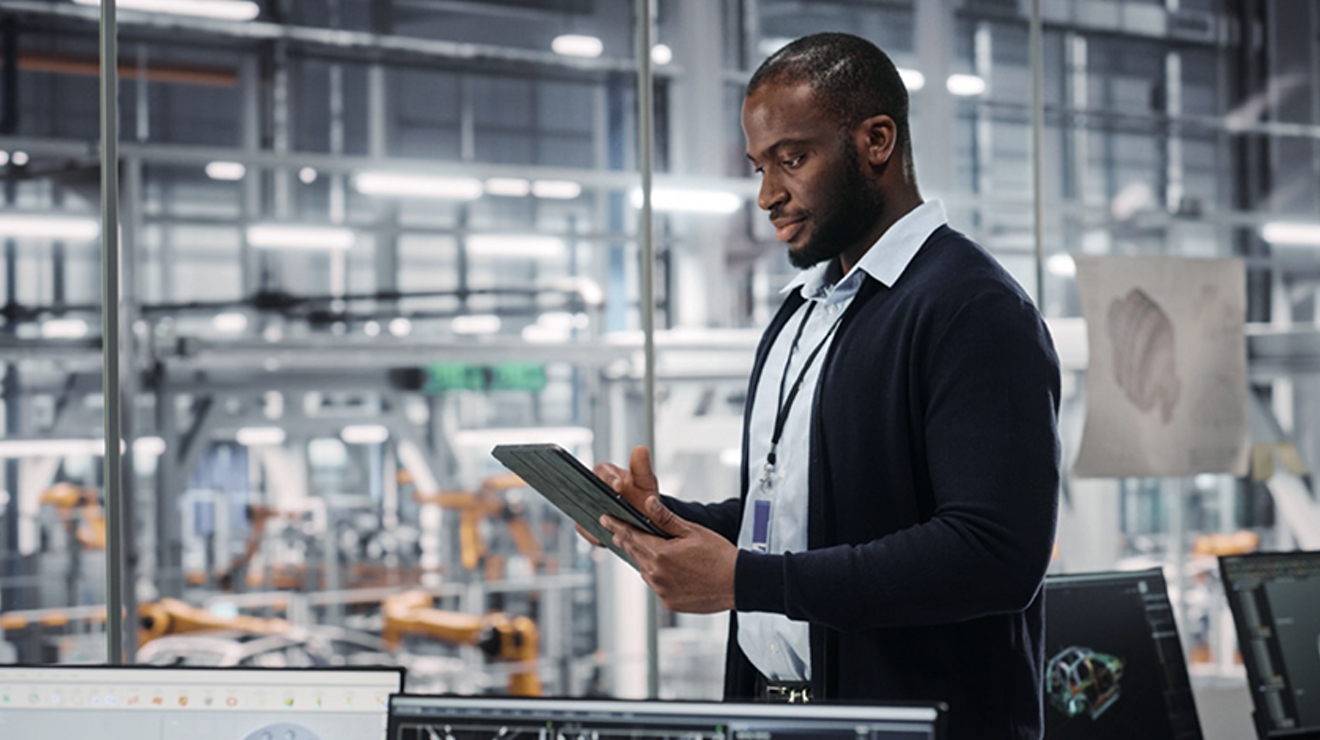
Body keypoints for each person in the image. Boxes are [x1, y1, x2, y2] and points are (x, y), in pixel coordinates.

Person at [590, 32, 1060, 740]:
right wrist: (661, 522)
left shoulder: (972, 309)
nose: (767, 195)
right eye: (758, 167)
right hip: (780, 718)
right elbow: (793, 517)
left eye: (792, 159)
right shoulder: (805, 311)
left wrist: (746, 581)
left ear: (876, 141)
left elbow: (993, 554)